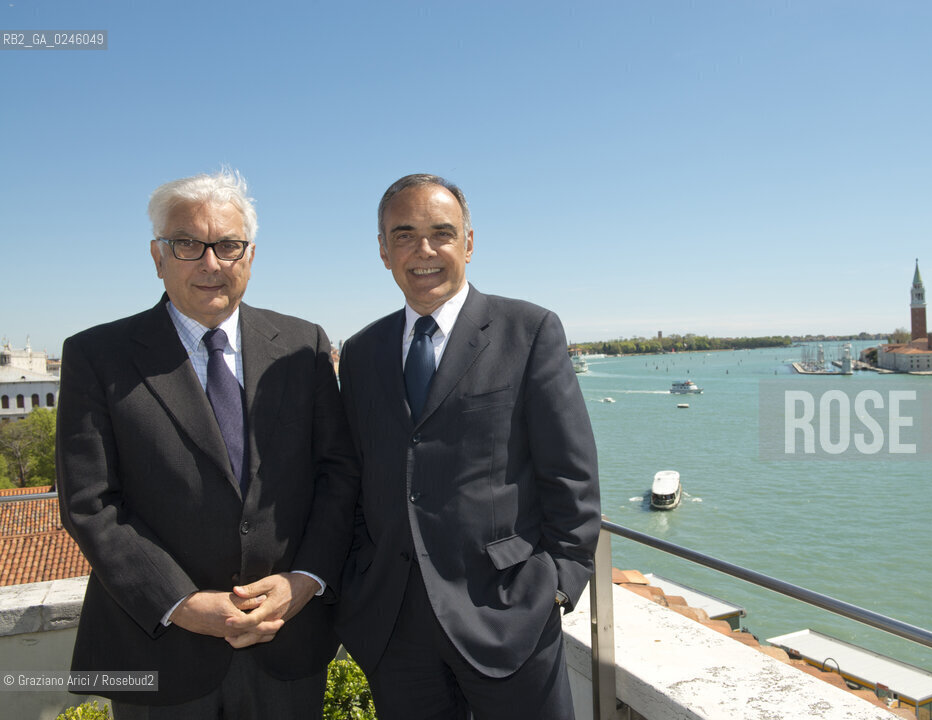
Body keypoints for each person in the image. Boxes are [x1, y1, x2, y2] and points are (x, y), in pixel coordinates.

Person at [56, 170, 359, 719]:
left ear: (250, 255)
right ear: (157, 256)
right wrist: (184, 604)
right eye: (188, 244)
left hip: (288, 648)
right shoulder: (97, 356)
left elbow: (337, 475)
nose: (211, 262)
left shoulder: (304, 345)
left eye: (228, 245)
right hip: (160, 654)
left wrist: (305, 580)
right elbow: (90, 503)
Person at [334, 174, 602, 719]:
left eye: (442, 233)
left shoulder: (529, 331)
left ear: (469, 243)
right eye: (404, 235)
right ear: (383, 251)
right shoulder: (360, 352)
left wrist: (556, 586)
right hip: (396, 626)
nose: (424, 251)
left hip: (509, 614)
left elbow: (571, 476)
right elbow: (355, 475)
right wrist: (362, 580)